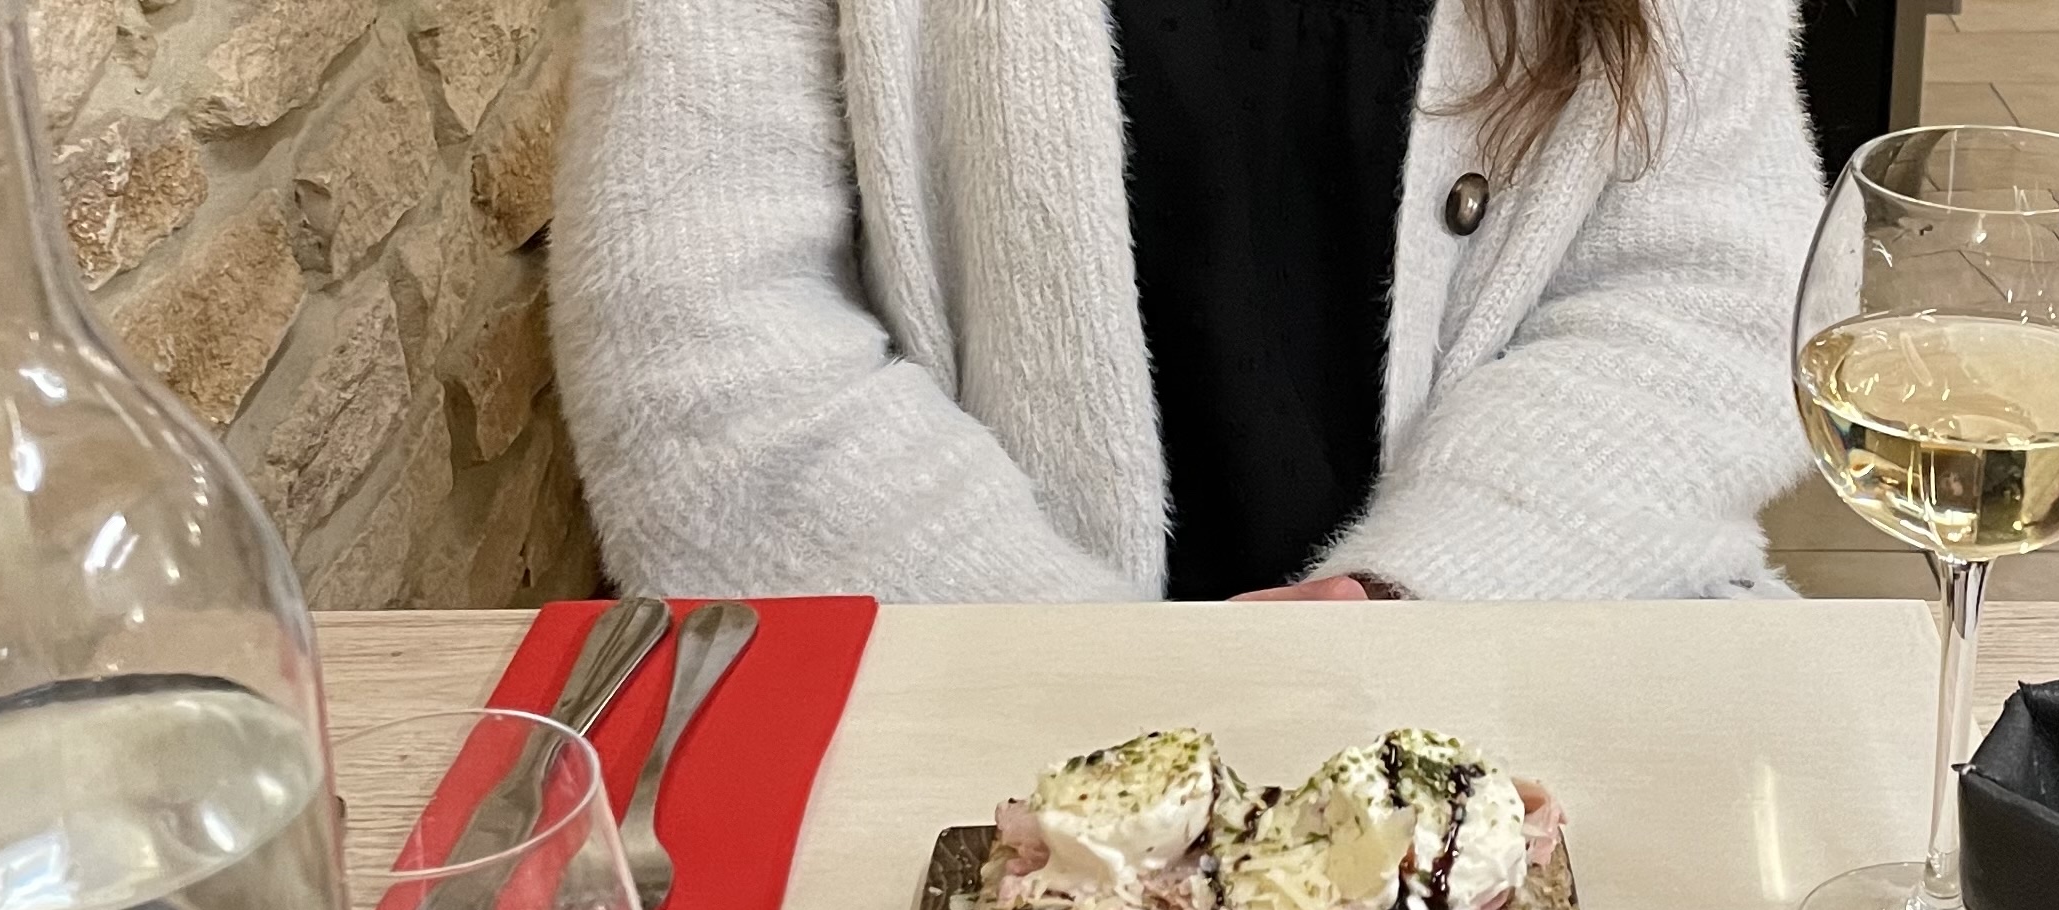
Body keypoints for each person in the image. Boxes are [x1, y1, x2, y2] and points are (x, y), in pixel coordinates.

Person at [550, 0, 1819, 603]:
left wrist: (1410, 604)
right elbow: (705, 355)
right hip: (976, 758)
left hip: (1521, 690)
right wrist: (1109, 690)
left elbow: (1698, 293)